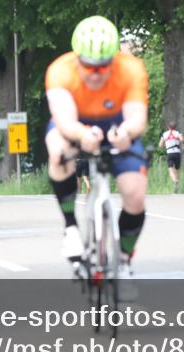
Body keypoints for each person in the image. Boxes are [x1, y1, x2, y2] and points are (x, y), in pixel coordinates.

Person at [44, 16, 149, 297]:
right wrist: (82, 135)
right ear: (77, 58)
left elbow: (137, 118)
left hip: (117, 124)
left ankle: (124, 260)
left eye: (103, 66)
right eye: (88, 66)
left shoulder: (131, 69)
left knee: (135, 194)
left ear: (114, 59)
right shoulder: (60, 71)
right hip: (76, 122)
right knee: (58, 152)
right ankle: (71, 228)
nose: (95, 73)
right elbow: (64, 122)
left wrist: (126, 133)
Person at [158, 120, 184, 193]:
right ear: (175, 127)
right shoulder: (178, 133)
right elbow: (182, 139)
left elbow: (160, 145)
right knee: (177, 169)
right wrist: (182, 144)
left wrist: (165, 146)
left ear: (168, 127)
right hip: (177, 153)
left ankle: (175, 181)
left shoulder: (164, 134)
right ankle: (177, 183)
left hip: (170, 153)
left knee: (170, 169)